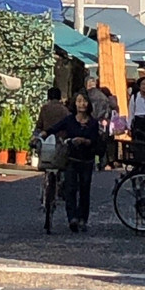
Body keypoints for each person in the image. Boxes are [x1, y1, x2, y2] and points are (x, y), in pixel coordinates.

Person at [40, 93, 100, 232]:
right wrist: (43, 134)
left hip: (87, 159)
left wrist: (85, 141)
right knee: (70, 189)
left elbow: (95, 141)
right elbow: (54, 128)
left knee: (85, 190)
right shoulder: (69, 120)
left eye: (84, 101)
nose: (82, 104)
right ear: (75, 103)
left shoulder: (93, 122)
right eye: (79, 101)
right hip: (71, 159)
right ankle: (72, 218)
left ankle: (83, 219)